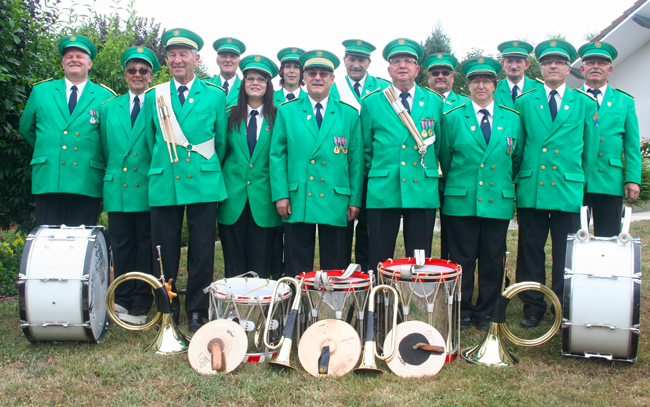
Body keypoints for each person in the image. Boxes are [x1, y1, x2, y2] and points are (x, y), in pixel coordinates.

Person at [144, 28, 227, 333]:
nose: (177, 60)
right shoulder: (155, 95)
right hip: (165, 181)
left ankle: (197, 309)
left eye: (183, 54)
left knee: (202, 249)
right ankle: (167, 307)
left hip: (203, 181)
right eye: (171, 54)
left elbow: (221, 143)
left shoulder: (215, 95)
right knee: (163, 250)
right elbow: (148, 141)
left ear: (196, 58)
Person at [514, 40, 598, 328]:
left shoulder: (585, 103)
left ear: (568, 68)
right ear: (540, 67)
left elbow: (589, 150)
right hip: (533, 187)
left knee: (567, 251)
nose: (553, 66)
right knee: (530, 249)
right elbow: (519, 147)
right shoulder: (524, 101)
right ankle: (533, 306)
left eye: (559, 62)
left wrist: (579, 181)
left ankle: (563, 305)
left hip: (567, 188)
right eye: (548, 61)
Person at [440, 57, 522, 331]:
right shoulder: (452, 117)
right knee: (461, 260)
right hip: (462, 200)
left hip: (496, 201)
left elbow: (516, 159)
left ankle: (487, 311)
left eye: (487, 80)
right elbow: (446, 158)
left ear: (495, 85)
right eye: (475, 80)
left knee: (492, 259)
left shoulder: (512, 119)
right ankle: (461, 310)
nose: (481, 85)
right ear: (467, 85)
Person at [270, 50, 364, 276]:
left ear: (332, 79)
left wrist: (355, 199)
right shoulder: (287, 111)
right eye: (312, 73)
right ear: (304, 77)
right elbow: (277, 156)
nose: (318, 78)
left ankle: (332, 308)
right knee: (297, 261)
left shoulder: (349, 114)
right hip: (298, 197)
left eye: (324, 73)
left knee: (335, 262)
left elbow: (356, 161)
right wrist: (281, 195)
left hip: (336, 198)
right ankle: (299, 307)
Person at [361, 38, 443, 271]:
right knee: (379, 255)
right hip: (384, 188)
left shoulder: (434, 102)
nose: (403, 65)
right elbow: (367, 149)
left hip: (421, 189)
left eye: (409, 61)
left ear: (418, 69)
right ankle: (378, 303)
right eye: (396, 61)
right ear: (389, 69)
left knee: (419, 257)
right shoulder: (372, 102)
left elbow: (441, 146)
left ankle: (414, 302)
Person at [19, 34, 116, 227]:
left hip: (86, 180)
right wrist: (49, 148)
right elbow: (26, 128)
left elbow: (109, 141)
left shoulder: (106, 97)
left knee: (80, 245)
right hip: (49, 177)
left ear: (89, 64)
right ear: (62, 63)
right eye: (69, 56)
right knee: (48, 241)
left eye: (80, 56)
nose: (74, 59)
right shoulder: (41, 91)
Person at [99, 47, 159, 324]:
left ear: (151, 75)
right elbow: (104, 148)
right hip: (119, 187)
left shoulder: (160, 104)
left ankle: (141, 300)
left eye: (143, 71)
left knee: (146, 244)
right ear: (124, 74)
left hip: (147, 186)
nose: (137, 75)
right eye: (132, 70)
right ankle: (121, 297)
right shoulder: (109, 107)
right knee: (121, 245)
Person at [218, 55, 282, 279]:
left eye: (262, 79)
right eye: (250, 78)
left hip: (264, 200)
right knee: (234, 264)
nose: (255, 83)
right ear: (243, 83)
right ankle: (234, 311)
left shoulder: (278, 118)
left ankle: (260, 310)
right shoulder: (229, 116)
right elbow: (220, 153)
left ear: (269, 85)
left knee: (260, 263)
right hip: (232, 199)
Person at [331, 39, 389, 271]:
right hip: (343, 169)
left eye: (361, 60)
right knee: (342, 223)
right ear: (345, 61)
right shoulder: (332, 87)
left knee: (369, 226)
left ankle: (366, 269)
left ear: (369, 62)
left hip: (374, 169)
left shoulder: (383, 88)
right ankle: (342, 269)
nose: (356, 64)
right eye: (352, 59)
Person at [578, 42, 641, 236]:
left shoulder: (624, 101)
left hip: (609, 180)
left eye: (602, 63)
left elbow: (631, 144)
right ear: (582, 69)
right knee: (577, 236)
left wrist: (633, 179)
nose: (596, 66)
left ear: (610, 69)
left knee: (609, 237)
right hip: (577, 178)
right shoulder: (572, 99)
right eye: (590, 62)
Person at [423, 52, 468, 260]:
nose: (440, 76)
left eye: (445, 72)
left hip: (455, 178)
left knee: (454, 231)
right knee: (423, 231)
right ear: (428, 77)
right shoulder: (420, 102)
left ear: (453, 77)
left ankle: (450, 272)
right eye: (435, 73)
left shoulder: (466, 104)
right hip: (426, 177)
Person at [494, 40, 542, 109]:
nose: (514, 66)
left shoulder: (540, 88)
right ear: (502, 65)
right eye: (509, 61)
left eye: (519, 61)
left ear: (526, 64)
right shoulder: (494, 90)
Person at [203, 37, 245, 107]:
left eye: (233, 56)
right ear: (217, 61)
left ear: (239, 63)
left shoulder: (246, 88)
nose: (228, 60)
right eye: (223, 56)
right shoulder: (204, 86)